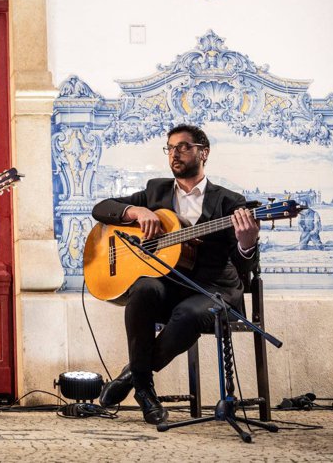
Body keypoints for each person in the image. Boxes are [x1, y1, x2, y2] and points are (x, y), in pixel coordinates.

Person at [92, 124, 259, 425]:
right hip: (170, 287)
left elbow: (242, 265)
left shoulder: (229, 202)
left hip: (212, 289)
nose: (174, 153)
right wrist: (137, 212)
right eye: (170, 148)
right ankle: (145, 389)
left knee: (187, 314)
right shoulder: (156, 191)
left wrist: (247, 244)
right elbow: (102, 208)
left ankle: (136, 379)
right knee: (144, 289)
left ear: (203, 153)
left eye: (183, 147)